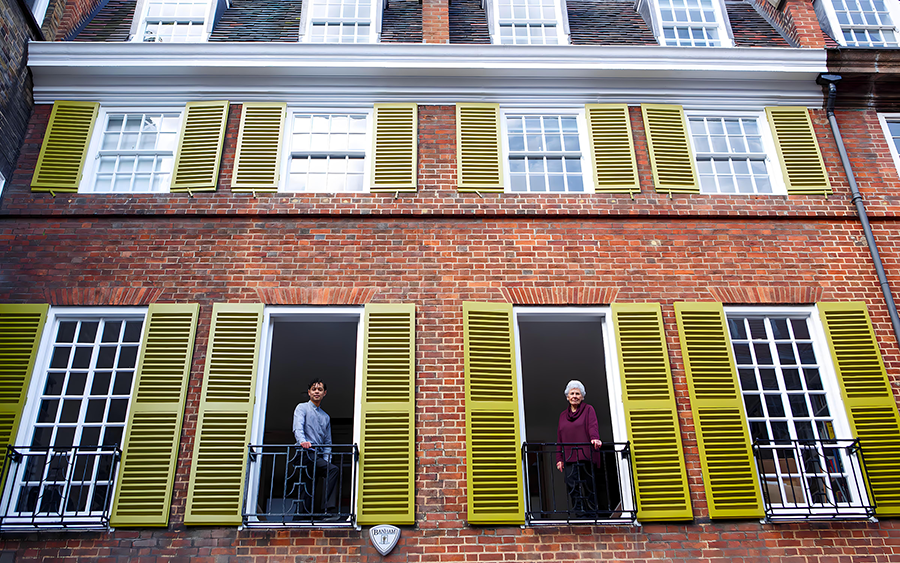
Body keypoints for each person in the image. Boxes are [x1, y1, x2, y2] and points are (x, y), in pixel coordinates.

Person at [292, 378, 339, 518]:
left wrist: (326, 460)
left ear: (324, 393)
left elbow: (327, 442)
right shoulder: (302, 408)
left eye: (320, 389)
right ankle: (327, 509)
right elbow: (298, 427)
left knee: (310, 486)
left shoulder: (326, 417)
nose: (316, 392)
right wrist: (302, 441)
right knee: (331, 471)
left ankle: (301, 517)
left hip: (316, 456)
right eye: (314, 389)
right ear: (309, 392)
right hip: (304, 453)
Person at [556, 379, 602, 517]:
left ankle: (592, 514)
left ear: (582, 396)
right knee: (572, 486)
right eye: (572, 393)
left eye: (577, 393)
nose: (574, 396)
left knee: (588, 485)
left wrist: (594, 438)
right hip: (569, 457)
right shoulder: (562, 416)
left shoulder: (588, 409)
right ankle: (579, 514)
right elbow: (559, 438)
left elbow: (592, 426)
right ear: (567, 397)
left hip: (585, 455)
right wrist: (559, 459)